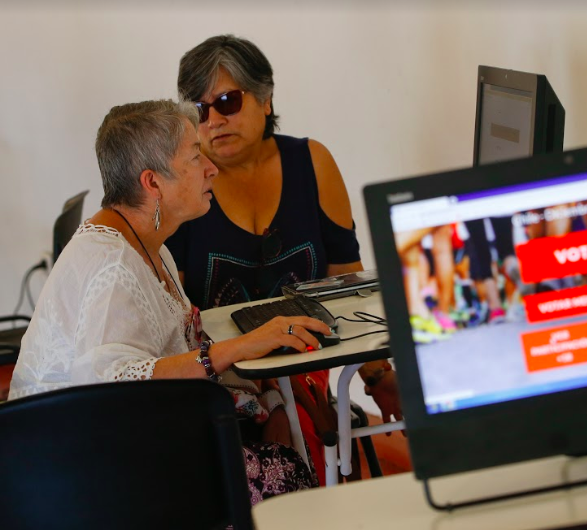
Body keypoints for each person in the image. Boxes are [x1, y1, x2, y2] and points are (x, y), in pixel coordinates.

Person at [9, 100, 330, 502]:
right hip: (78, 480)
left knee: (283, 456)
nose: (211, 167)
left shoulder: (149, 244)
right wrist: (238, 349)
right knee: (284, 478)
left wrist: (271, 401)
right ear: (153, 182)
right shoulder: (112, 266)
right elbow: (108, 383)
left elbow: (178, 349)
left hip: (119, 450)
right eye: (196, 157)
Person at [167, 35, 403, 482]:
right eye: (200, 110)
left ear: (266, 98)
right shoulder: (186, 185)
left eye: (226, 101)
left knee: (309, 442)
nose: (213, 120)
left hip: (303, 367)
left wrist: (378, 377)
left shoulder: (312, 164)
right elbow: (174, 322)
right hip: (219, 381)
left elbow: (349, 291)